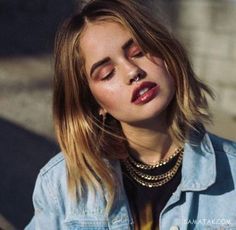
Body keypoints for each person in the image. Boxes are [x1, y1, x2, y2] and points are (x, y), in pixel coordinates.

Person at [25, 0, 236, 229]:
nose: (133, 71)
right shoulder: (61, 186)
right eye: (106, 74)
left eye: (138, 52)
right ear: (93, 102)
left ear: (165, 53)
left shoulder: (231, 171)